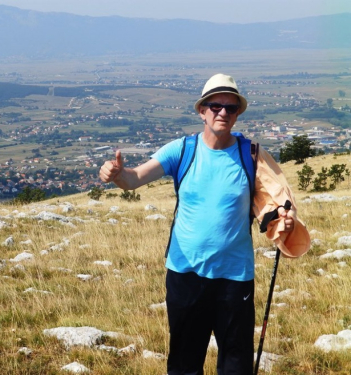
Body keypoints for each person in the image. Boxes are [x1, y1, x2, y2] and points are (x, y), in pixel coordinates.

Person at [99, 73, 310, 375]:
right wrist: (117, 174)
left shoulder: (252, 155)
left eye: (231, 107)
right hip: (185, 275)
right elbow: (134, 179)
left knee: (236, 366)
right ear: (201, 110)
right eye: (215, 106)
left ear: (238, 114)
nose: (223, 112)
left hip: (235, 278)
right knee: (185, 365)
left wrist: (285, 223)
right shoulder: (182, 150)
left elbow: (276, 202)